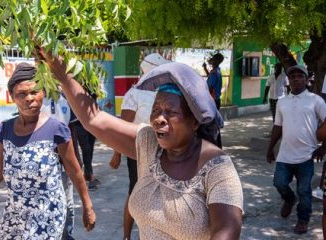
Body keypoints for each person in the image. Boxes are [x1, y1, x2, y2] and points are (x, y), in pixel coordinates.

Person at [40, 49, 243, 239]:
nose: (159, 119)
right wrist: (58, 69)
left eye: (170, 112)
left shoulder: (218, 169)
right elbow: (94, 119)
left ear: (195, 121)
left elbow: (226, 231)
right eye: (155, 110)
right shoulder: (149, 143)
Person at [0, 63, 96, 239]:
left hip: (47, 214)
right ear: (12, 97)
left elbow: (74, 170)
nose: (29, 98)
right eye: (22, 94)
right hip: (15, 215)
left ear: (43, 93)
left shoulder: (56, 129)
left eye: (34, 92)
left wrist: (88, 206)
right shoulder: (6, 129)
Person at [109, 53, 169, 240]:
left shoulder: (164, 93)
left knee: (161, 193)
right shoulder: (134, 94)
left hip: (163, 150)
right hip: (137, 152)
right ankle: (127, 236)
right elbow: (123, 125)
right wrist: (117, 153)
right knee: (135, 191)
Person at [267, 65, 326, 234]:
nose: (296, 79)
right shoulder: (282, 102)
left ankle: (303, 219)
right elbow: (277, 127)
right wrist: (270, 148)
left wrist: (323, 149)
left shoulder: (316, 101)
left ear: (307, 80)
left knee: (304, 190)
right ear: (289, 80)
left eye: (300, 76)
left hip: (307, 155)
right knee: (279, 182)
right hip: (285, 154)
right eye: (293, 77)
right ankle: (289, 199)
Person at [41, 93, 75, 240]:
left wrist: (75, 159)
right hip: (43, 161)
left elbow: (71, 129)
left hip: (64, 158)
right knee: (47, 202)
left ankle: (67, 234)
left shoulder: (64, 98)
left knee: (68, 202)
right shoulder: (37, 99)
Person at [68, 100, 100, 190]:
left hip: (92, 120)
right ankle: (90, 178)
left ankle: (88, 173)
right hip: (78, 122)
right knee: (86, 149)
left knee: (90, 149)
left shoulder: (91, 90)